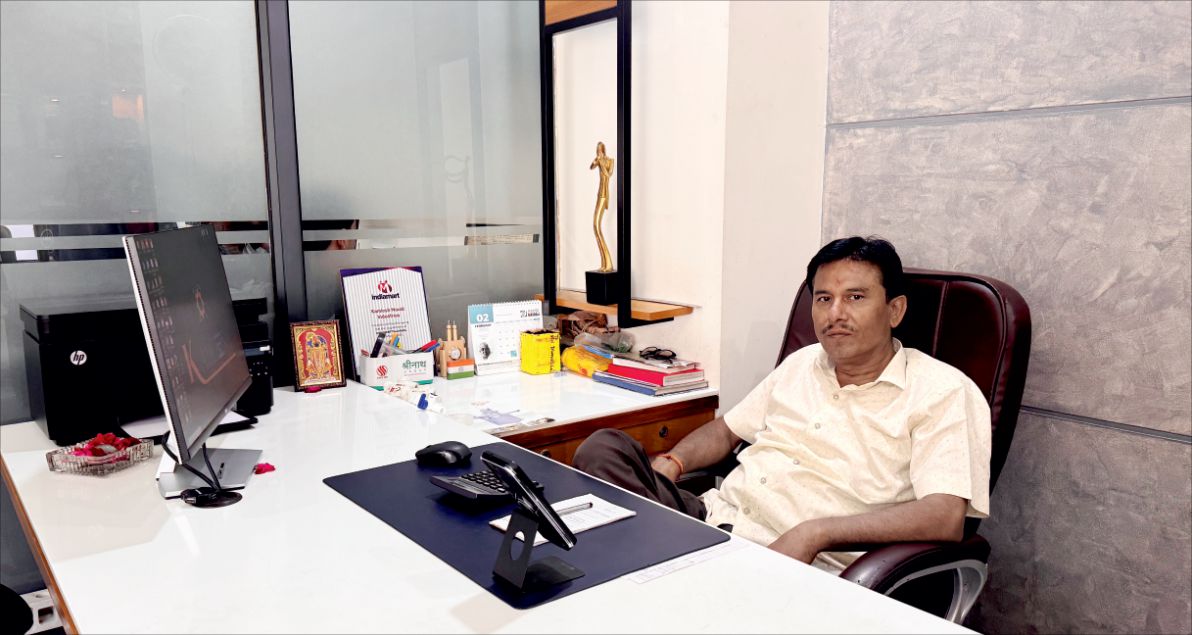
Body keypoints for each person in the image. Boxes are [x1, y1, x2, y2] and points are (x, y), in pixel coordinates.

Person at [572, 236, 991, 572]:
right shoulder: (803, 362)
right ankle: (662, 564)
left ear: (894, 310)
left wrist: (816, 533)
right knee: (603, 448)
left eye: (855, 297)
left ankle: (656, 566)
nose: (835, 313)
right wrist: (674, 462)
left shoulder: (941, 391)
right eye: (823, 299)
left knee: (614, 549)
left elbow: (944, 516)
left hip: (795, 563)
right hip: (711, 521)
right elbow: (727, 430)